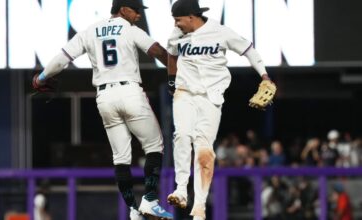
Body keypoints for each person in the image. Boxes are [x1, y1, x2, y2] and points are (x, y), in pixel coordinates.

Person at [32, 0, 173, 219]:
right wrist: (180, 73)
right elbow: (160, 53)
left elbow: (61, 59)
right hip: (129, 91)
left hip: (104, 97)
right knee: (154, 145)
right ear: (123, 9)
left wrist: (41, 77)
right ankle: (150, 200)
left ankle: (133, 210)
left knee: (121, 158)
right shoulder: (130, 29)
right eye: (135, 10)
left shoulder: (89, 31)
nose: (138, 15)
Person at [165, 0, 275, 219]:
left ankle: (199, 205)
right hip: (184, 92)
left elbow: (248, 50)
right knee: (182, 136)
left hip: (211, 97)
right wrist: (170, 79)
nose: (176, 23)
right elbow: (171, 53)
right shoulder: (176, 32)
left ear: (191, 17)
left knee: (204, 150)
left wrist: (264, 75)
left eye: (178, 19)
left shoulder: (220, 31)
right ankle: (180, 188)